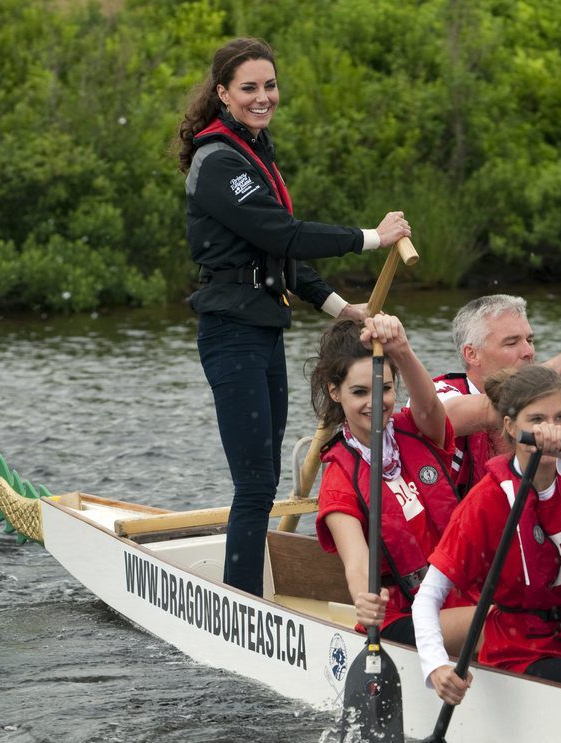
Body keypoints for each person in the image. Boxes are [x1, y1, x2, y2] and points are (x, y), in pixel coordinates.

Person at [176, 37, 411, 596]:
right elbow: (283, 232)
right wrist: (374, 238)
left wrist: (338, 307)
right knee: (255, 482)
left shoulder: (255, 148)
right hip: (230, 333)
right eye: (249, 88)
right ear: (223, 94)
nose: (263, 97)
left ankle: (249, 593)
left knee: (263, 478)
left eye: (270, 86)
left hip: (261, 331)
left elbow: (277, 257)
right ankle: (240, 602)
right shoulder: (218, 161)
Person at [413, 365, 561, 704]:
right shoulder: (487, 501)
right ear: (511, 427)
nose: (550, 430)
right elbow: (428, 597)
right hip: (525, 652)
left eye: (560, 418)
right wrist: (436, 666)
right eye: (537, 420)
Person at [312, 315, 475, 650]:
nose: (376, 403)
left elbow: (429, 403)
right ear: (335, 392)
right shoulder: (339, 477)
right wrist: (363, 599)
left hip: (460, 594)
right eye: (360, 392)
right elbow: (356, 562)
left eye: (384, 389)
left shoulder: (416, 429)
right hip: (403, 615)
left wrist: (401, 349)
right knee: (501, 622)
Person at [433, 294, 561, 496]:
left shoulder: (543, 406)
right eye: (511, 343)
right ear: (471, 354)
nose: (528, 351)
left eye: (530, 340)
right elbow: (462, 413)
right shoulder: (437, 396)